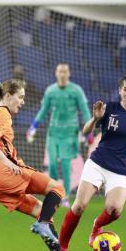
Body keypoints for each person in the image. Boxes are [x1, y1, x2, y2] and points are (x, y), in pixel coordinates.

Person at [0, 79, 81, 251]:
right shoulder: (2, 113)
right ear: (8, 96)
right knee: (57, 189)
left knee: (42, 210)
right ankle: (43, 226)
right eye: (20, 97)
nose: (23, 102)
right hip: (4, 173)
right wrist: (6, 162)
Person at [58, 73, 126, 251]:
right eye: (125, 90)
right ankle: (61, 248)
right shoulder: (109, 108)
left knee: (114, 209)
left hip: (122, 171)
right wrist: (95, 118)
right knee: (78, 206)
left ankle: (97, 226)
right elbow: (86, 132)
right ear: (120, 91)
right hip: (98, 163)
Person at [26, 64, 91, 208]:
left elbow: (85, 111)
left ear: (69, 73)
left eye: (65, 71)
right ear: (56, 73)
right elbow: (43, 111)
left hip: (69, 133)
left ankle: (66, 196)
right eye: (60, 71)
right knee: (53, 164)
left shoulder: (76, 91)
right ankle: (56, 194)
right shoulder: (50, 91)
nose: (62, 74)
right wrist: (33, 127)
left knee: (66, 165)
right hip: (53, 132)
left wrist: (88, 131)